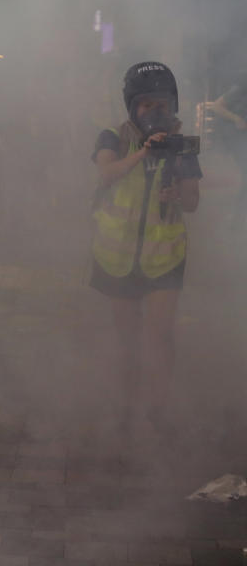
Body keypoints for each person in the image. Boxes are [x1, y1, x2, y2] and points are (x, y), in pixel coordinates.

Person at [90, 61, 201, 441]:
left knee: (160, 334)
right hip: (116, 257)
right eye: (146, 105)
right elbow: (106, 173)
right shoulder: (114, 137)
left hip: (164, 256)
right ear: (132, 107)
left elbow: (192, 202)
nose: (155, 113)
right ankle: (123, 407)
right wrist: (144, 151)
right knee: (127, 338)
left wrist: (178, 192)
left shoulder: (183, 144)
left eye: (163, 104)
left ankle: (157, 409)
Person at [208, 73, 247, 228]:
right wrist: (237, 119)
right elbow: (216, 106)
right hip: (238, 138)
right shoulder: (243, 86)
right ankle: (237, 219)